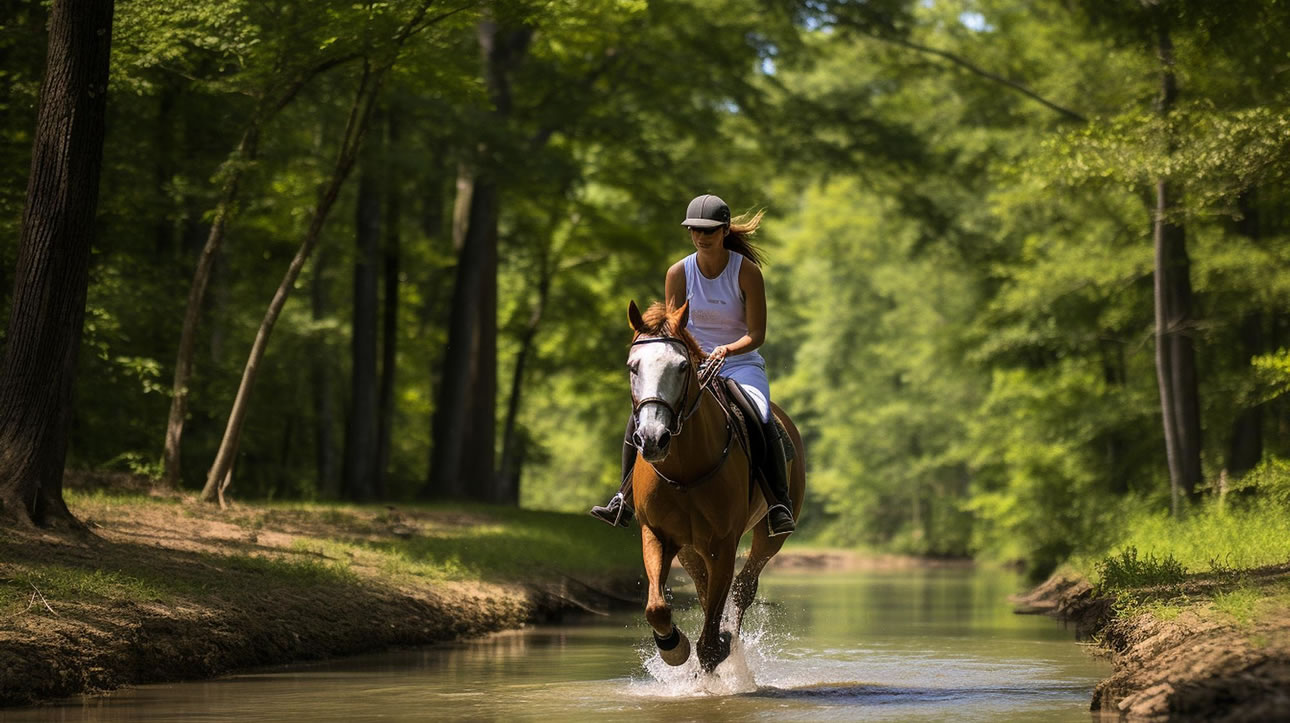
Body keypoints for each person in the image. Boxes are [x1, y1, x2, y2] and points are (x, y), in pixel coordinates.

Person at [590, 193, 796, 536]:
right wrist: (691, 358)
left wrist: (726, 351)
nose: (702, 236)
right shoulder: (678, 272)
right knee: (643, 413)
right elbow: (673, 330)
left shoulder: (747, 272)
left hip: (739, 362)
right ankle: (622, 498)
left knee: (760, 414)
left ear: (725, 230)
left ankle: (778, 503)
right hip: (691, 364)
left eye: (710, 230)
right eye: (695, 230)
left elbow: (757, 334)